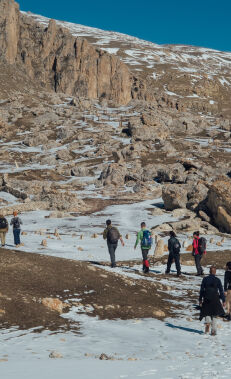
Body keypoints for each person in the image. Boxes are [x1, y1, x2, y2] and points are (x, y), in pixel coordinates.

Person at [199, 266, 225, 335]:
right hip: (215, 298)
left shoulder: (205, 279)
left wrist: (200, 299)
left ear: (209, 272)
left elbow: (202, 290)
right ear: (215, 272)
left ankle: (207, 322)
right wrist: (223, 300)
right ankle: (213, 331)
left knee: (207, 312)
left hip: (207, 297)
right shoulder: (217, 280)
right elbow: (221, 291)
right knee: (215, 314)